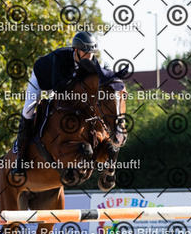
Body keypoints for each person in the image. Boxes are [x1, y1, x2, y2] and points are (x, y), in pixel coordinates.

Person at [11, 31, 124, 175]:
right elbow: (57, 87)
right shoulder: (60, 57)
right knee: (28, 111)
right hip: (43, 80)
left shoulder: (92, 61)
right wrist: (77, 77)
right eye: (85, 52)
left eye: (91, 53)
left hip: (64, 86)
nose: (89, 56)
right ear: (76, 50)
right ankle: (20, 159)